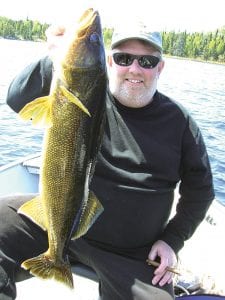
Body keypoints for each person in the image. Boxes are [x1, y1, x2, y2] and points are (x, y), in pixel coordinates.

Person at [0, 20, 214, 300]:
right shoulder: (82, 97)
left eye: (147, 61)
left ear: (160, 68)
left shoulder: (180, 123)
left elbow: (201, 191)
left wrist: (171, 241)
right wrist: (55, 56)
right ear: (110, 62)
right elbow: (17, 100)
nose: (135, 69)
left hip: (132, 254)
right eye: (124, 58)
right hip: (61, 224)